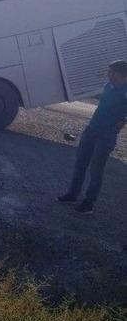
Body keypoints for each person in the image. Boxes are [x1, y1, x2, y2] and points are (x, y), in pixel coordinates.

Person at [58, 60, 127, 214]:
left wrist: (111, 131)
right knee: (80, 165)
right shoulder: (108, 86)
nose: (108, 73)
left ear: (119, 74)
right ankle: (72, 195)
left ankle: (89, 203)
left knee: (96, 170)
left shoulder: (125, 93)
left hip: (105, 136)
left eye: (111, 71)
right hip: (91, 131)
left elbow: (123, 120)